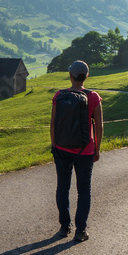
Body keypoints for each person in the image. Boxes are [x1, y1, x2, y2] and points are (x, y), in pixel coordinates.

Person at [50, 60, 103, 242]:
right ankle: (81, 231)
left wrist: (54, 146)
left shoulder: (59, 95)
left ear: (70, 75)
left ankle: (64, 227)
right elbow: (99, 127)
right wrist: (97, 149)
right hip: (85, 150)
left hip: (61, 149)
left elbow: (53, 124)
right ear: (86, 76)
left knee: (63, 188)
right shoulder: (93, 97)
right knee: (84, 190)